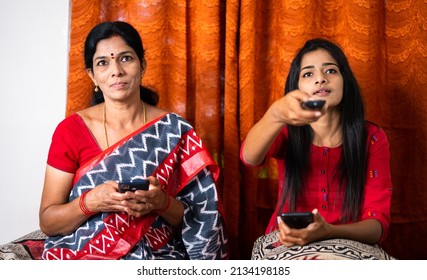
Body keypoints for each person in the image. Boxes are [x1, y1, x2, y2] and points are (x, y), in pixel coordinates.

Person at [39, 21, 228, 260]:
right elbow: (48, 221)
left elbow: (203, 220)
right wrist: (90, 202)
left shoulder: (175, 130)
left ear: (142, 65)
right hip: (87, 258)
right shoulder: (71, 131)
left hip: (161, 256)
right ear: (92, 76)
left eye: (125, 58)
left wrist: (161, 202)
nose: (116, 70)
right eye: (103, 63)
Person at [240, 38, 394, 260]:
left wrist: (329, 232)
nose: (321, 79)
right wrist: (275, 115)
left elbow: (378, 225)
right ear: (297, 88)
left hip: (352, 247)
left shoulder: (372, 138)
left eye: (330, 71)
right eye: (308, 74)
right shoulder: (286, 131)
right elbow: (250, 158)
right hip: (287, 243)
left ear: (345, 81)